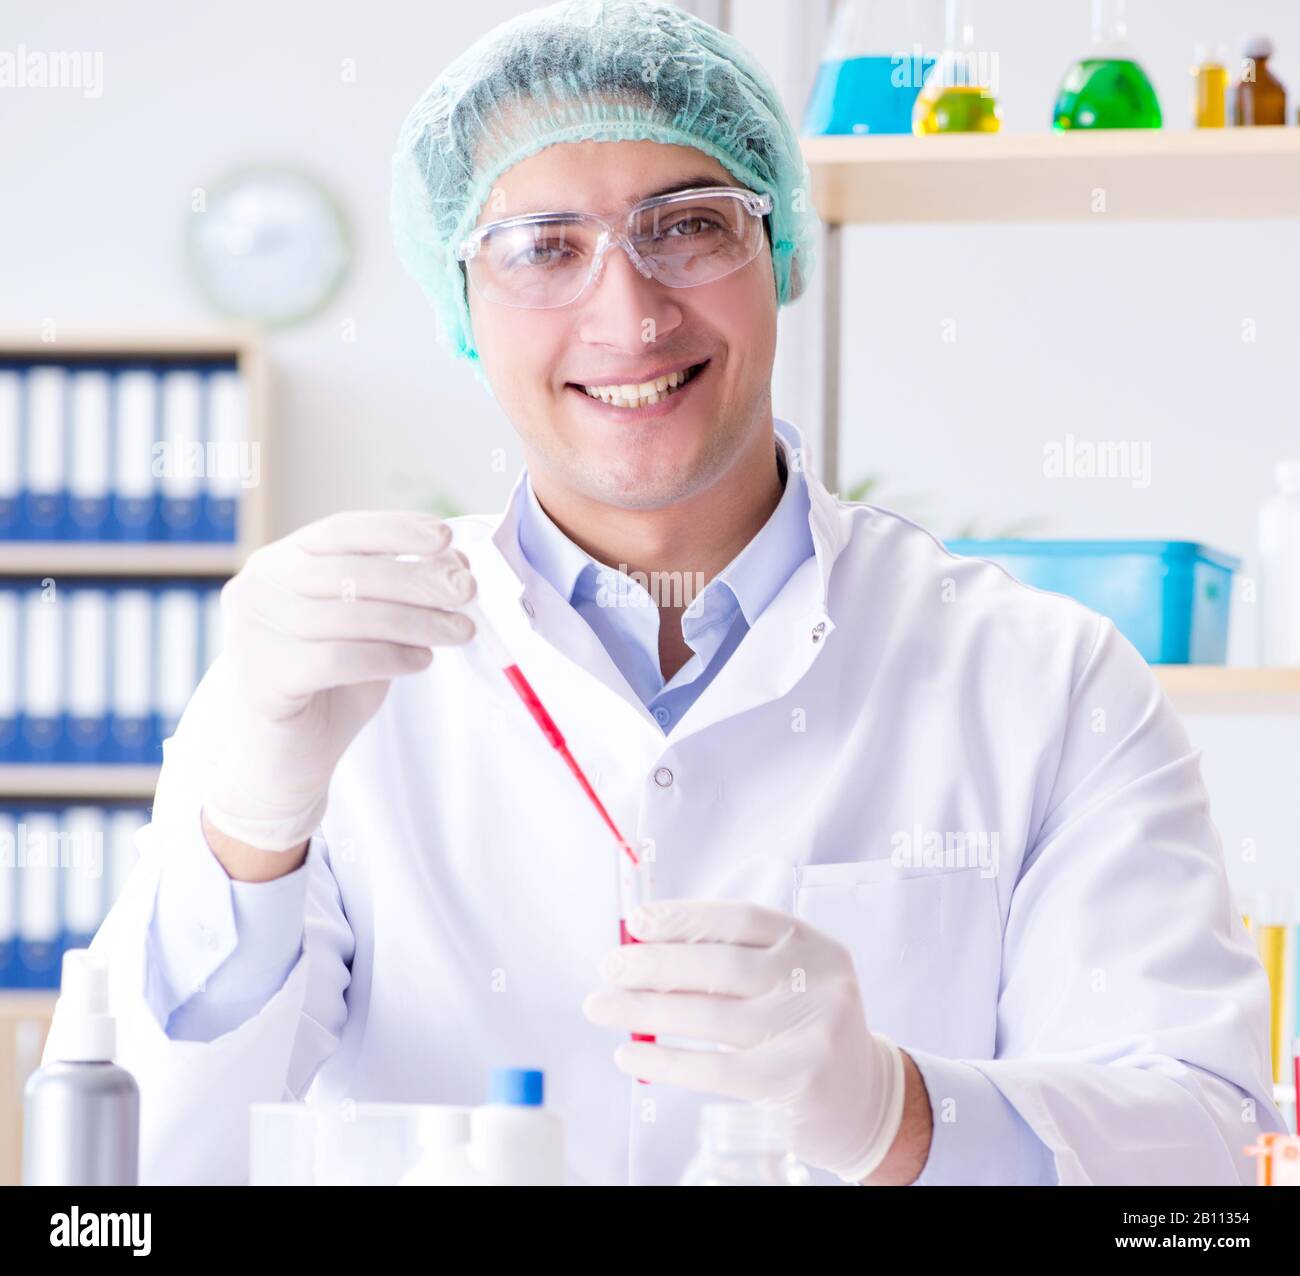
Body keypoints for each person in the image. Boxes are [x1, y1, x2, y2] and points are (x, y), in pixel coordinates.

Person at [54, 0, 1284, 1185]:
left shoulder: (1044, 679)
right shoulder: (320, 683)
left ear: (779, 250)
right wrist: (251, 839)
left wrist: (902, 1112)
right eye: (543, 248)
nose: (629, 312)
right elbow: (129, 1183)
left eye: (687, 223)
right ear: (461, 305)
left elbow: (1202, 1175)